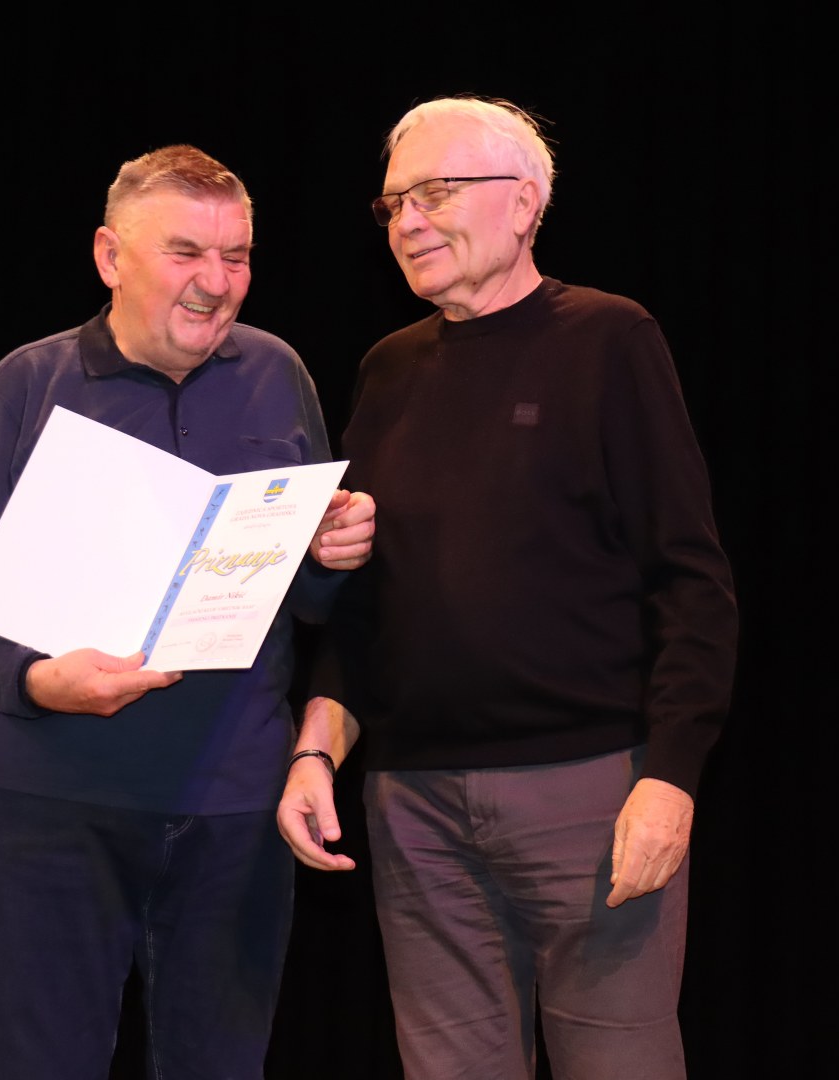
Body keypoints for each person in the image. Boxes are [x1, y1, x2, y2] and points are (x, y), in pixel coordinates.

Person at [277, 96, 738, 1079]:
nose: (408, 221)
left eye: (437, 193)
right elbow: (365, 607)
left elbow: (691, 579)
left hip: (590, 796)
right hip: (413, 805)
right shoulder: (389, 369)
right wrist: (316, 751)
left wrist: (671, 777)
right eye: (393, 202)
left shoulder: (609, 338)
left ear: (525, 203)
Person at [0, 143, 375, 1079]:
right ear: (109, 257)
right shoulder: (27, 386)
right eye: (185, 252)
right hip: (56, 808)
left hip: (235, 808)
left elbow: (310, 600)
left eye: (236, 256)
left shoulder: (277, 372)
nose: (217, 281)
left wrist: (332, 556)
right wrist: (38, 681)